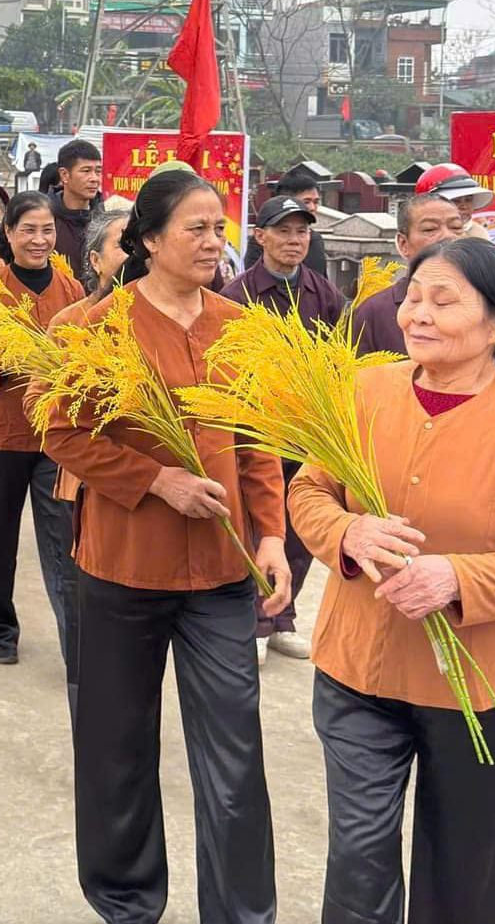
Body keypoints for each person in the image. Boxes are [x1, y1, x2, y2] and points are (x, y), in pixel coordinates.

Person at [41, 170, 290, 924]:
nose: (216, 242)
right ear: (149, 241)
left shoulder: (241, 326)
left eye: (220, 228)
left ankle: (242, 912)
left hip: (221, 573)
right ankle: (126, 900)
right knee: (117, 748)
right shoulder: (90, 328)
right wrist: (155, 479)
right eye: (197, 228)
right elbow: (62, 433)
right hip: (121, 566)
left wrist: (272, 534)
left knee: (234, 753)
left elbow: (256, 440)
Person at [288, 237, 495, 924]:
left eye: (443, 300)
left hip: (476, 685)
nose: (417, 313)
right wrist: (347, 533)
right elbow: (308, 491)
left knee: (465, 868)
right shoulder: (361, 389)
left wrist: (458, 576)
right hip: (357, 669)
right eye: (414, 296)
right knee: (359, 859)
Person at [222, 195, 345, 666]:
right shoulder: (237, 295)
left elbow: (340, 359)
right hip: (255, 430)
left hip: (305, 432)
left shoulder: (324, 293)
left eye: (302, 232)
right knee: (261, 525)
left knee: (300, 527)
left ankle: (282, 619)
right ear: (261, 236)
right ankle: (256, 619)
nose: (294, 241)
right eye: (284, 231)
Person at [0, 192, 84, 664]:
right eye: (28, 230)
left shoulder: (71, 289)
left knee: (65, 539)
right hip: (1, 432)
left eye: (47, 230)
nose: (39, 239)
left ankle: (77, 641)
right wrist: (17, 367)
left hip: (57, 435)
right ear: (8, 233)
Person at [348, 195, 495, 375]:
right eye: (430, 229)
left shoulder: (487, 299)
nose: (448, 236)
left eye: (456, 228)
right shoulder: (374, 311)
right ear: (403, 244)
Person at [244, 169, 329, 276]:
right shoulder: (263, 240)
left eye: (316, 202)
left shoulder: (315, 240)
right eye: (306, 202)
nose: (312, 208)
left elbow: (322, 283)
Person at [49, 140, 103, 272]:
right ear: (64, 175)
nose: (94, 178)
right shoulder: (45, 216)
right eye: (86, 171)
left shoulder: (106, 219)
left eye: (98, 171)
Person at [415, 161, 494, 239]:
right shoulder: (417, 235)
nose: (464, 206)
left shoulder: (479, 233)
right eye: (455, 200)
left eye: (468, 200)